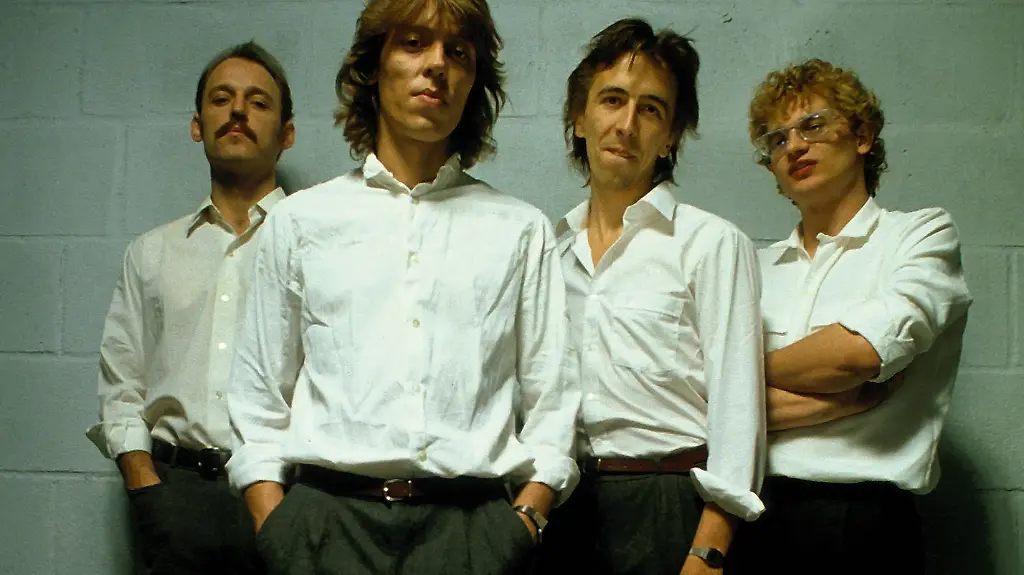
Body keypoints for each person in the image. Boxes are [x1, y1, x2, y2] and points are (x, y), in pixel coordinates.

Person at [225, 1, 579, 574]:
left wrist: (523, 522)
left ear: (474, 82)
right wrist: (277, 524)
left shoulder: (520, 229)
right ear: (373, 67)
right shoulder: (301, 222)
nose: (436, 65)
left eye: (457, 52)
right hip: (322, 527)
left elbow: (554, 402)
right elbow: (257, 396)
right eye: (413, 43)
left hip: (473, 534)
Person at [537, 18, 766, 575]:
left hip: (670, 502)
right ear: (580, 117)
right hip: (565, 504)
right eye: (612, 100)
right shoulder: (548, 252)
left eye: (651, 109)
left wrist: (708, 550)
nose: (627, 124)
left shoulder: (710, 243)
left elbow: (739, 407)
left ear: (670, 137)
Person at [726, 58, 973, 574]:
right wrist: (840, 400)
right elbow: (700, 403)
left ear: (862, 136)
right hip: (749, 516)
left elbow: (858, 354)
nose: (794, 146)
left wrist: (739, 378)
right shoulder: (752, 269)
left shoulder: (919, 236)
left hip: (864, 523)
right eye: (777, 139)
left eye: (813, 126)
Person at [86, 41, 295, 574]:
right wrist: (145, 485)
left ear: (287, 134)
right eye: (221, 99)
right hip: (174, 496)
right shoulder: (152, 253)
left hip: (288, 496)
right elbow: (121, 383)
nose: (238, 111)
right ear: (197, 126)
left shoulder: (316, 247)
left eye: (258, 102)